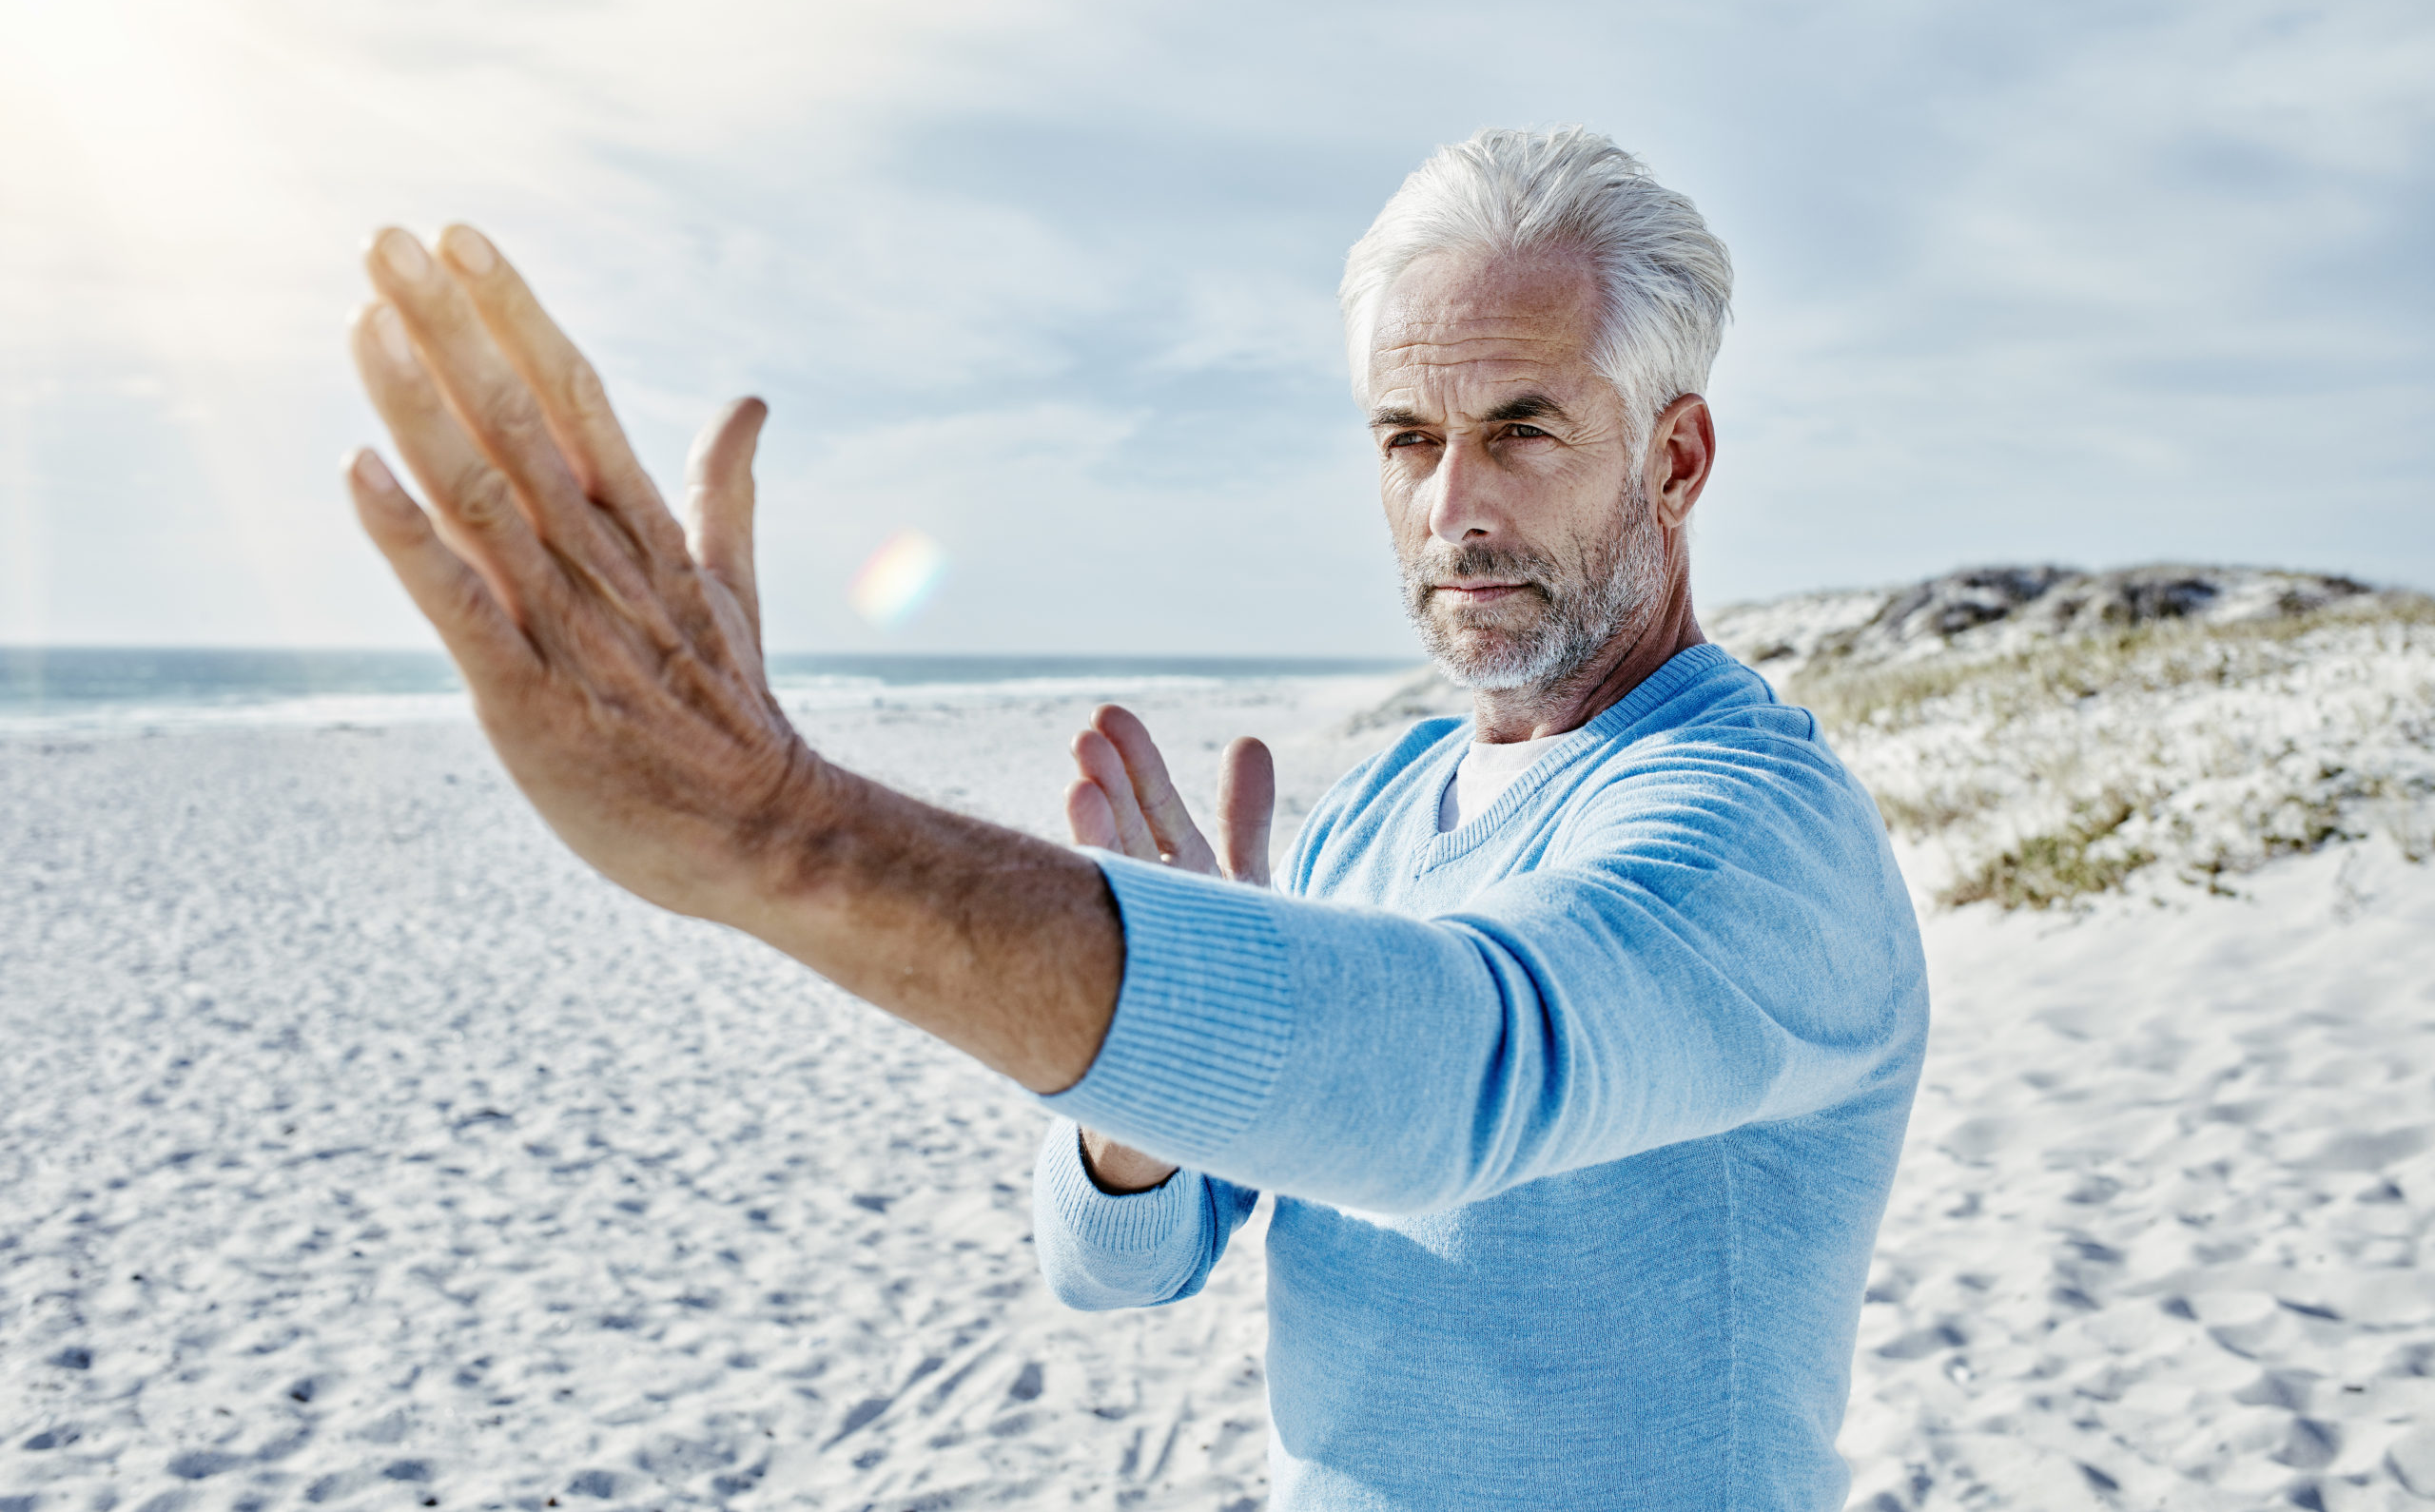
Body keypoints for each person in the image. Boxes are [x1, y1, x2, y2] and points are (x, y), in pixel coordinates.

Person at [341, 126, 1926, 1509]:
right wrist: (1150, 1084)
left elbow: (1457, 1079)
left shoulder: (1755, 833)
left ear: (1676, 455)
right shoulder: (1384, 804)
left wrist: (787, 834)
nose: (1456, 506)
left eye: (1522, 428)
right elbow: (1119, 1265)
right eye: (1409, 440)